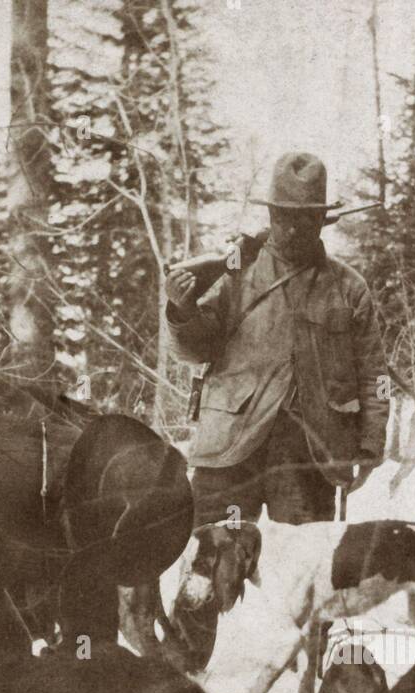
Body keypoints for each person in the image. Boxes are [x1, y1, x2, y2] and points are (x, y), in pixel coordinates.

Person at [165, 151, 388, 531]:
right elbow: (193, 350)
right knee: (211, 562)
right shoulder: (233, 271)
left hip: (310, 451)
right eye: (282, 217)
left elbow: (375, 374)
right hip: (230, 445)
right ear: (270, 215)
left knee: (300, 575)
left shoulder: (348, 287)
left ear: (322, 219)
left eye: (304, 218)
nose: (291, 230)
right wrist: (182, 310)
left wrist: (370, 445)